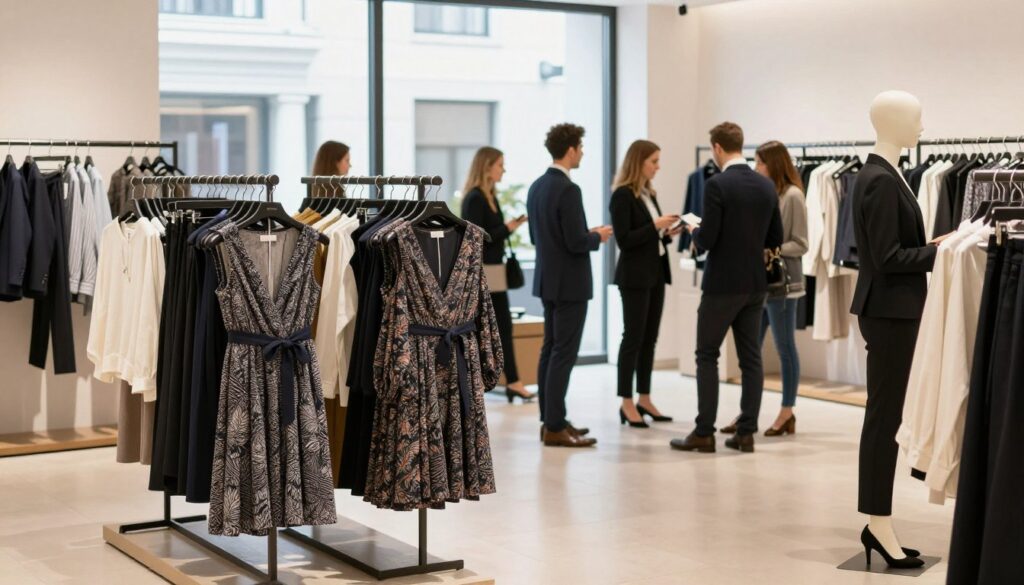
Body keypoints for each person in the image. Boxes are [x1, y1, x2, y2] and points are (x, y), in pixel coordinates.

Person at [670, 122, 783, 455]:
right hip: (755, 284)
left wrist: (694, 229)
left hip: (722, 284)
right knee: (751, 359)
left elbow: (707, 241)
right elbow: (774, 237)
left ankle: (704, 432)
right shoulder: (765, 186)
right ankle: (746, 432)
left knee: (707, 354)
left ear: (717, 148)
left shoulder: (716, 184)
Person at [527, 123, 612, 448]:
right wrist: (597, 236)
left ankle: (552, 420)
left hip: (548, 279)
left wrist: (584, 235)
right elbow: (577, 242)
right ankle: (554, 425)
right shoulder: (568, 189)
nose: (583, 153)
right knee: (564, 353)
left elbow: (540, 236)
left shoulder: (536, 187)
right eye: (581, 147)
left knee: (550, 349)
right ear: (571, 149)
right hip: (571, 283)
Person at [721, 141, 808, 436]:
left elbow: (801, 242)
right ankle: (748, 414)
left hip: (783, 283)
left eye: (759, 162)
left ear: (773, 164)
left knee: (784, 348)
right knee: (751, 350)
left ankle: (787, 412)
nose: (756, 167)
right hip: (760, 283)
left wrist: (769, 248)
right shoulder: (765, 193)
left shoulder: (793, 195)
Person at [609, 140, 682, 428]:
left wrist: (668, 232)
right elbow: (625, 240)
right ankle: (626, 401)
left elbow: (651, 236)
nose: (658, 166)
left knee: (650, 339)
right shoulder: (622, 196)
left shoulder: (648, 194)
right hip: (634, 277)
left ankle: (645, 397)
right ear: (638, 162)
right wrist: (655, 226)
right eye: (653, 161)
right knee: (633, 338)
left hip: (655, 273)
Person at [460, 146, 535, 403]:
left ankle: (511, 380)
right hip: (484, 274)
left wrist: (507, 228)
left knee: (501, 325)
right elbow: (479, 238)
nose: (504, 169)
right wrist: (508, 227)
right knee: (496, 326)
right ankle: (511, 381)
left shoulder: (488, 196)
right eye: (500, 164)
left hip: (495, 271)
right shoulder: (475, 198)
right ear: (487, 166)